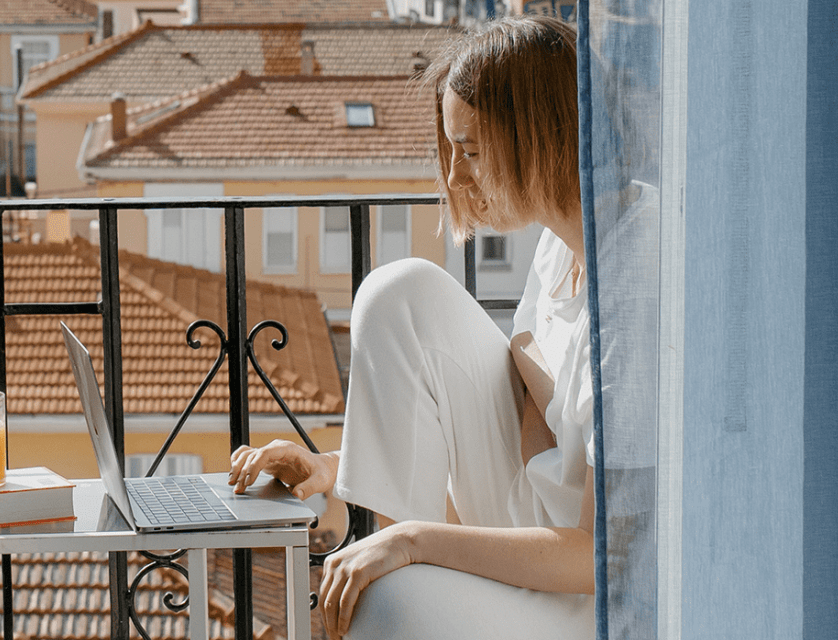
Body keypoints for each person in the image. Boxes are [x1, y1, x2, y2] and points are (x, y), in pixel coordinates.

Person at [229, 15, 601, 639]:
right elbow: (518, 409)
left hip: (589, 593)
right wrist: (342, 468)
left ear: (541, 136)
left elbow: (601, 556)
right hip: (535, 520)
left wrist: (414, 541)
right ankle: (391, 558)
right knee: (399, 291)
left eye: (473, 151)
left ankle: (401, 578)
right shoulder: (560, 249)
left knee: (388, 600)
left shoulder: (635, 296)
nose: (456, 178)